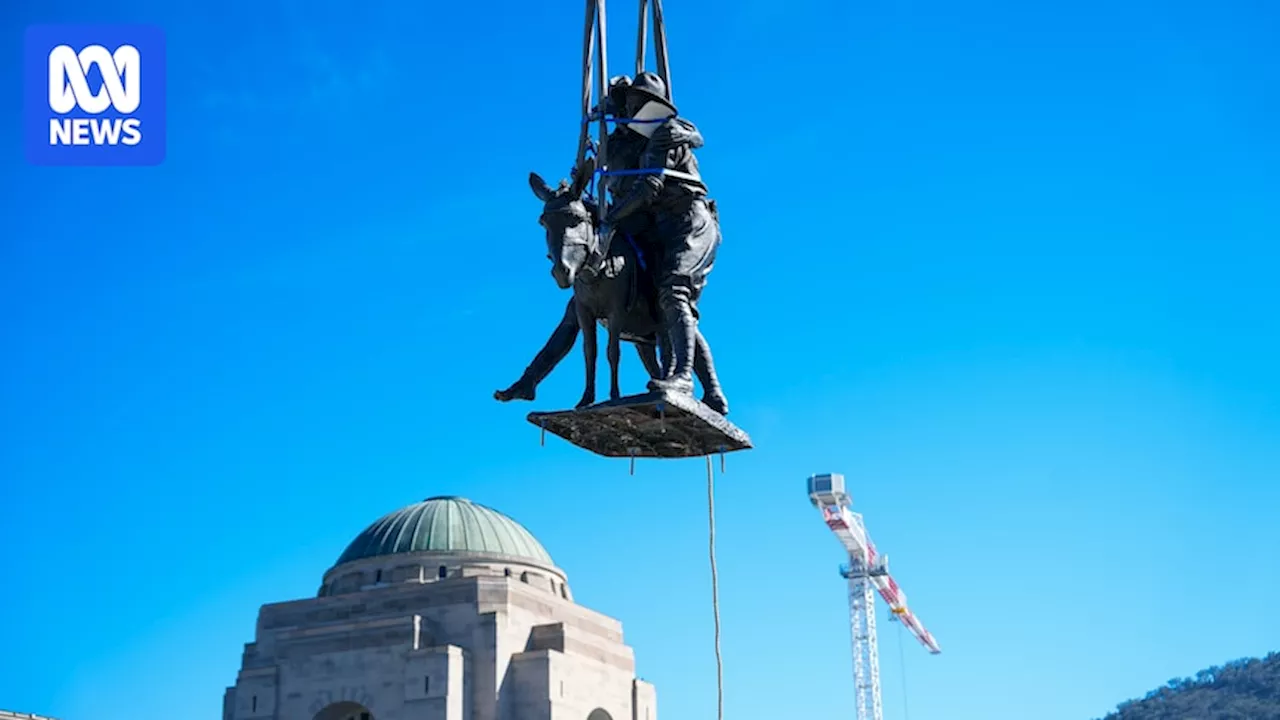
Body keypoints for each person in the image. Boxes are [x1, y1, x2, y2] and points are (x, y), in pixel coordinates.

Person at [599, 71, 721, 400]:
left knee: (674, 292)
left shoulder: (663, 133)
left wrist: (609, 217)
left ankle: (683, 378)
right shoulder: (625, 142)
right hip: (660, 226)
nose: (624, 111)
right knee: (658, 304)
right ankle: (711, 391)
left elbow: (648, 189)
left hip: (689, 220)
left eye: (632, 104)